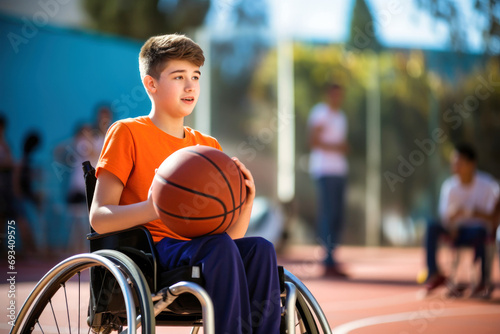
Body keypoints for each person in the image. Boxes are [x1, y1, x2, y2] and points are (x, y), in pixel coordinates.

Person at [90, 34, 281, 333]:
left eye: (195, 76)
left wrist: (244, 204)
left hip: (203, 248)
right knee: (218, 248)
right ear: (151, 84)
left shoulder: (207, 146)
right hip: (151, 253)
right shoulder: (127, 133)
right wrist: (155, 208)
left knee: (260, 248)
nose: (190, 86)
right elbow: (99, 219)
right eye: (178, 77)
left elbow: (229, 238)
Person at [424, 143, 499, 297]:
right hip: (457, 231)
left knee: (481, 232)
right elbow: (445, 216)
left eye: (459, 162)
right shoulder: (449, 186)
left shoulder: (488, 185)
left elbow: (494, 215)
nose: (455, 167)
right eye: (454, 163)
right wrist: (451, 223)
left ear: (472, 164)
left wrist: (474, 213)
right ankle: (434, 273)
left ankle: (483, 281)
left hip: (478, 231)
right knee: (431, 226)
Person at [307, 83, 349, 277]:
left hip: (340, 171)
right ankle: (327, 258)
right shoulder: (320, 113)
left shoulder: (341, 117)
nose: (336, 98)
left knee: (338, 215)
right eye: (334, 94)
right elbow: (314, 141)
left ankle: (332, 256)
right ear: (328, 94)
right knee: (328, 214)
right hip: (324, 170)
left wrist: (341, 148)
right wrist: (337, 147)